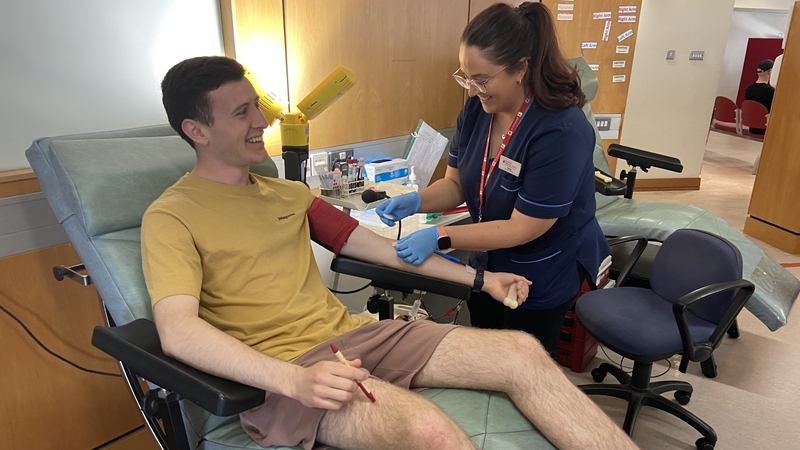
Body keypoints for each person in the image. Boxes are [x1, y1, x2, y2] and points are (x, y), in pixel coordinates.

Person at [142, 55, 638, 450]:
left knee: (523, 353)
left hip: (356, 338)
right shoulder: (172, 216)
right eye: (242, 112)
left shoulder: (289, 195)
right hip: (285, 372)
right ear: (197, 130)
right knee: (431, 432)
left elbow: (382, 251)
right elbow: (179, 331)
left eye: (257, 104)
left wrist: (483, 282)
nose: (263, 119)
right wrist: (293, 381)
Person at [376, 2, 609, 358]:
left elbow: (523, 228)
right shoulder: (476, 108)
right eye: (466, 77)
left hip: (542, 266)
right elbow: (455, 183)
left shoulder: (561, 130)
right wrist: (416, 200)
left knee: (525, 366)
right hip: (488, 261)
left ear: (520, 68)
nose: (471, 89)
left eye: (482, 79)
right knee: (486, 354)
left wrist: (441, 236)